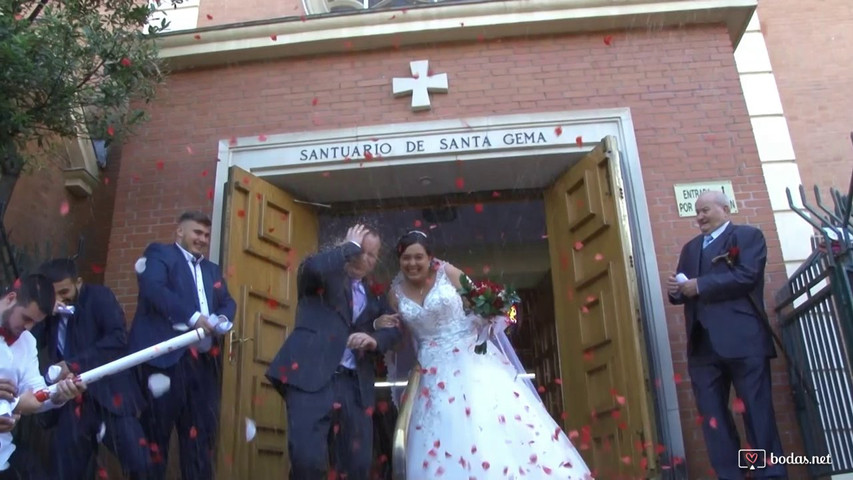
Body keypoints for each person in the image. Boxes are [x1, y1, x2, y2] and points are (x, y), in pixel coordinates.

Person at [384, 230, 592, 479]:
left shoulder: (448, 273)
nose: (412, 263)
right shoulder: (395, 295)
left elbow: (479, 303)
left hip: (469, 357)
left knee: (486, 423)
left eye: (418, 257)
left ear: (430, 257)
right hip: (430, 368)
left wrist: (492, 313)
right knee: (442, 429)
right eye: (406, 258)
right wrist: (379, 325)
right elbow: (399, 338)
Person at [265, 224, 402, 480]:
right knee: (308, 462)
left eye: (372, 255)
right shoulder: (318, 276)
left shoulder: (375, 296)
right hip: (311, 378)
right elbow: (314, 267)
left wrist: (373, 339)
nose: (365, 258)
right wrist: (347, 248)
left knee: (357, 466)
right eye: (361, 250)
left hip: (354, 386)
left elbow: (394, 329)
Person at [666, 191, 786, 479]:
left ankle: (766, 474)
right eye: (696, 212)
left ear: (725, 207)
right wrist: (676, 292)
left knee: (756, 413)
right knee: (713, 418)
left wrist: (701, 285)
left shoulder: (747, 236)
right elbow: (685, 290)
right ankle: (730, 474)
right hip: (703, 347)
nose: (699, 217)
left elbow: (747, 276)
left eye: (705, 210)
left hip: (744, 341)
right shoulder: (690, 249)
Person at [128, 211, 236, 479]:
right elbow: (154, 289)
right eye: (197, 232)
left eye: (206, 235)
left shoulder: (212, 269)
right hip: (165, 362)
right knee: (155, 437)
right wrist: (194, 317)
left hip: (203, 366)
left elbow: (228, 301)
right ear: (180, 232)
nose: (202, 239)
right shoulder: (159, 254)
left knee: (201, 440)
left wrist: (222, 318)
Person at [35, 258, 150, 479]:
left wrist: (73, 365)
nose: (60, 299)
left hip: (109, 396)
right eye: (53, 294)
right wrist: (44, 311)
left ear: (78, 282)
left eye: (65, 291)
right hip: (70, 402)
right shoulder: (46, 312)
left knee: (138, 462)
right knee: (65, 469)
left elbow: (117, 339)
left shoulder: (99, 297)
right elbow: (31, 341)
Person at [0, 274, 86, 480]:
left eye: (35, 322)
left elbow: (35, 390)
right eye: (26, 318)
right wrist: (17, 405)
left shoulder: (27, 342)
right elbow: (21, 402)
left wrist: (58, 392)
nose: (29, 328)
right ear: (11, 298)